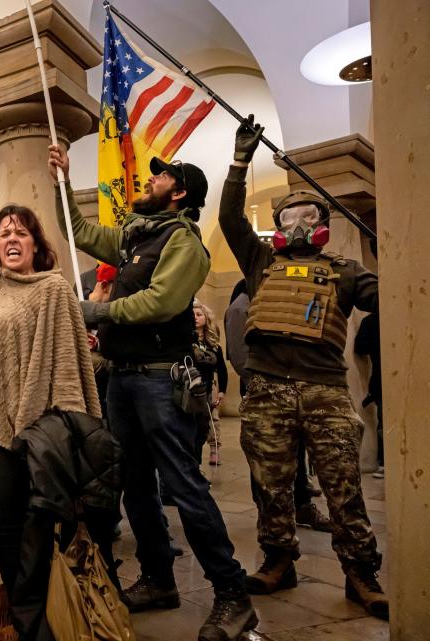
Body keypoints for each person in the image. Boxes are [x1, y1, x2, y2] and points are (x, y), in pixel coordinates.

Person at [49, 144, 257, 641]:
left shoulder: (183, 242)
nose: (150, 179)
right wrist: (64, 179)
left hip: (161, 379)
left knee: (182, 486)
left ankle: (233, 595)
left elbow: (161, 303)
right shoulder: (135, 238)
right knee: (134, 483)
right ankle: (159, 578)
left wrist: (93, 312)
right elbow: (78, 233)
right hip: (124, 378)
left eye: (161, 177)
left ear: (179, 193)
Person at [220, 115, 387, 619]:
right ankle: (278, 559)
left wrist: (396, 251)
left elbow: (391, 298)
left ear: (322, 225)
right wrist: (238, 163)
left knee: (342, 486)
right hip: (267, 388)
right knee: (271, 483)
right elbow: (230, 219)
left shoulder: (346, 272)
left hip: (326, 391)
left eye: (307, 217)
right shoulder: (260, 264)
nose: (297, 225)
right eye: (288, 218)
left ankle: (361, 573)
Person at [0, 144, 101, 641]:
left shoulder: (50, 290)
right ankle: (21, 614)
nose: (9, 237)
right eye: (4, 231)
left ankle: (32, 623)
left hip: (19, 427)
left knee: (17, 528)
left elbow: (68, 367)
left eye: (19, 233)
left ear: (35, 245)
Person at [227, 283, 331, 532]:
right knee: (265, 458)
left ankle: (300, 503)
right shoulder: (241, 306)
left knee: (294, 452)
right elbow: (240, 356)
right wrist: (263, 386)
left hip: (288, 388)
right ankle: (271, 514)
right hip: (264, 392)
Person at [191, 301, 227, 466]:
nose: (196, 318)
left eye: (199, 315)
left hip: (209, 386)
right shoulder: (187, 341)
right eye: (193, 315)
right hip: (192, 387)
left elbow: (222, 369)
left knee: (213, 419)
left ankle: (215, 449)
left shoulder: (214, 345)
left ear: (206, 318)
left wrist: (222, 391)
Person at [354, 312, 383, 478]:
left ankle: (384, 463)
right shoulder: (371, 321)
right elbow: (360, 347)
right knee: (384, 423)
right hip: (380, 379)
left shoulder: (370, 321)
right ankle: (384, 463)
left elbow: (360, 348)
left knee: (383, 423)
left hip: (380, 378)